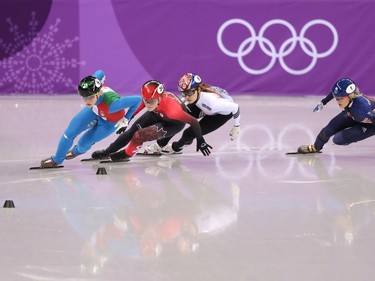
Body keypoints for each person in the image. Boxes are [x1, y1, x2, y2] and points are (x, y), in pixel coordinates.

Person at [39, 70, 142, 167]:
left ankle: (76, 151)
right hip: (94, 111)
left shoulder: (113, 105)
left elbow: (138, 99)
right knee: (69, 133)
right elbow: (100, 72)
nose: (86, 101)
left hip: (109, 123)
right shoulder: (93, 85)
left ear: (99, 93)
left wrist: (126, 119)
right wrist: (99, 78)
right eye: (84, 97)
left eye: (90, 97)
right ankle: (57, 159)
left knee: (83, 143)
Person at [90, 80, 212, 162]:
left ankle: (126, 154)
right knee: (131, 131)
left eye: (151, 101)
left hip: (174, 123)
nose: (147, 104)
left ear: (159, 98)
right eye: (145, 100)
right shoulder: (152, 100)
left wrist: (200, 140)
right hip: (158, 113)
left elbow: (194, 122)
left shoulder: (173, 110)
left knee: (139, 136)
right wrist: (127, 119)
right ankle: (107, 152)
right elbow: (142, 105)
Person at [143, 73, 240, 154]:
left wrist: (236, 126)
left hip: (220, 114)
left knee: (189, 133)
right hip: (200, 104)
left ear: (198, 90)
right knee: (177, 118)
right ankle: (159, 144)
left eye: (189, 93)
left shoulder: (213, 103)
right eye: (183, 93)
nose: (187, 96)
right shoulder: (194, 93)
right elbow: (186, 98)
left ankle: (176, 148)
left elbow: (235, 107)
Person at [298, 78, 375, 153]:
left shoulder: (362, 108)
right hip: (353, 114)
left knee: (338, 139)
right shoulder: (349, 99)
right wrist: (323, 102)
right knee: (327, 130)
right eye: (336, 98)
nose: (338, 102)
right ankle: (315, 148)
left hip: (370, 124)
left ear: (350, 96)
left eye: (340, 98)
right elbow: (333, 93)